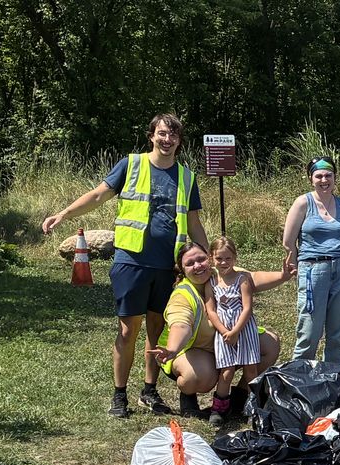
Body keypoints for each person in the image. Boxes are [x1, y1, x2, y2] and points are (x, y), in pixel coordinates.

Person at [43, 113, 208, 418]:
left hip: (168, 267)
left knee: (157, 330)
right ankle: (120, 395)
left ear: (179, 142)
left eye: (173, 136)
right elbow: (97, 195)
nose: (167, 140)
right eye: (162, 134)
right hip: (131, 262)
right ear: (151, 136)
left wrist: (209, 263)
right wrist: (63, 214)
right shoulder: (131, 164)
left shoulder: (187, 177)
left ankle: (149, 390)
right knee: (128, 330)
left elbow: (195, 224)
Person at [203, 236, 289, 424]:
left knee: (251, 368)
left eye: (228, 258)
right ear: (211, 258)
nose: (223, 262)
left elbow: (247, 308)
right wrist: (225, 331)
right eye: (219, 258)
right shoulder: (211, 282)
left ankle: (252, 406)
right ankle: (220, 407)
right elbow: (211, 310)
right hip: (223, 332)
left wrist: (235, 331)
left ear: (235, 258)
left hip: (244, 329)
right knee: (227, 371)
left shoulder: (242, 279)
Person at [282, 158, 340, 364]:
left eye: (328, 175)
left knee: (338, 334)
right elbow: (288, 242)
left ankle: (332, 379)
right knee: (309, 331)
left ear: (335, 177)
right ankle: (298, 378)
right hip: (313, 270)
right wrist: (296, 266)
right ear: (311, 179)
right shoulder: (303, 203)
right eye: (319, 176)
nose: (324, 180)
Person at [151, 243, 226, 417]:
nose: (198, 265)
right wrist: (172, 349)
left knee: (269, 344)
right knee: (198, 376)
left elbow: (251, 278)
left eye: (201, 259)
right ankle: (188, 396)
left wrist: (283, 275)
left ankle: (238, 398)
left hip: (223, 344)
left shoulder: (222, 272)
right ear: (182, 270)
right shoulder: (182, 295)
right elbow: (181, 325)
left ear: (210, 258)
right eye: (190, 263)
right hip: (187, 351)